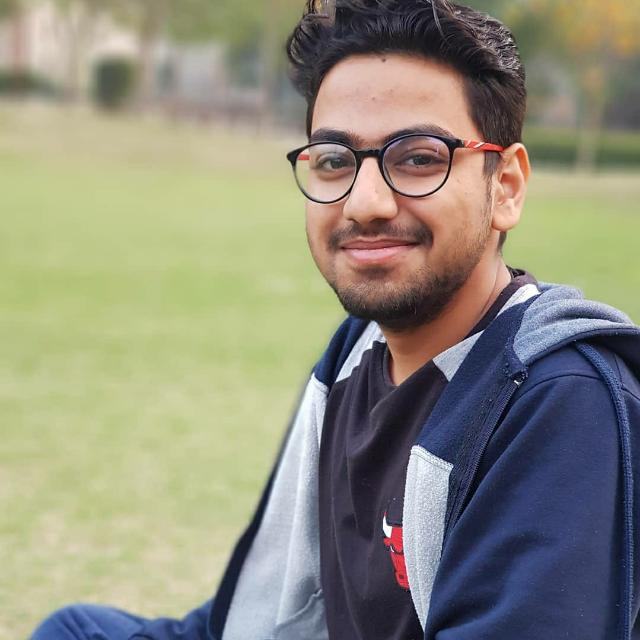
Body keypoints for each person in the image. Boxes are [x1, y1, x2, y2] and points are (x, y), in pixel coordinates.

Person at [32, 0, 640, 639]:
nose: (365, 203)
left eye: (418, 158)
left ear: (506, 186)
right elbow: (262, 619)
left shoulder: (562, 402)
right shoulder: (357, 356)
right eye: (333, 160)